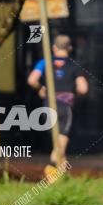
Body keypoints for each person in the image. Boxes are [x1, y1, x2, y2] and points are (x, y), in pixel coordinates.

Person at [26, 34, 88, 168]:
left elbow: (31, 80)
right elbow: (83, 88)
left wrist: (41, 88)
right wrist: (73, 92)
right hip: (66, 108)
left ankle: (60, 175)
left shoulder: (44, 62)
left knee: (58, 147)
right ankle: (54, 169)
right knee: (59, 147)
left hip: (48, 106)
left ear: (54, 48)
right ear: (70, 48)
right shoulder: (75, 65)